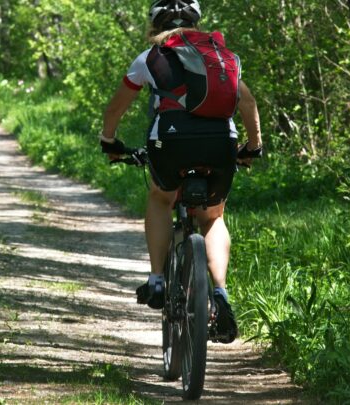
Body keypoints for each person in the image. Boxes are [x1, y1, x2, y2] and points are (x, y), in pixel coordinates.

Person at [99, 0, 263, 343]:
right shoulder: (222, 56)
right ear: (196, 22)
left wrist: (110, 141)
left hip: (170, 144)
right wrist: (253, 147)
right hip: (220, 142)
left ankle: (157, 279)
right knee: (213, 217)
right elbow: (247, 103)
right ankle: (220, 294)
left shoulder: (149, 58)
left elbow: (116, 108)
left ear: (155, 24)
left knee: (161, 198)